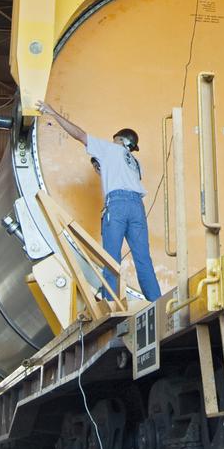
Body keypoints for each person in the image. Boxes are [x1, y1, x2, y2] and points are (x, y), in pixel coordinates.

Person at [36, 101, 161, 303]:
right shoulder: (136, 164)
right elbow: (120, 176)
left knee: (111, 259)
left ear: (120, 140)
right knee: (143, 260)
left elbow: (80, 135)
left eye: (114, 140)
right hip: (137, 207)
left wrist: (53, 113)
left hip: (117, 204)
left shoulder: (111, 149)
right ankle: (157, 302)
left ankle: (110, 303)